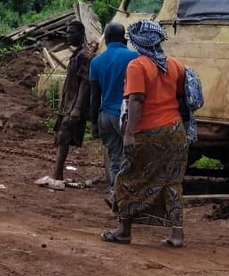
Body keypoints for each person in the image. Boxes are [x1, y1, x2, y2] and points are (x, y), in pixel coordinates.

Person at [101, 20, 188, 247]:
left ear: (138, 42)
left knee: (127, 178)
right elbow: (180, 98)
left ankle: (124, 230)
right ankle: (177, 234)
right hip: (175, 130)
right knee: (172, 181)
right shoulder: (175, 65)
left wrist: (129, 135)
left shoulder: (137, 66)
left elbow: (136, 100)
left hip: (149, 131)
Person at [89, 23, 136, 206]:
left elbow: (94, 96)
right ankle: (127, 199)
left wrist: (94, 123)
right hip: (126, 116)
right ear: (124, 38)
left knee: (116, 158)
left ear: (106, 40)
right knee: (131, 159)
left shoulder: (96, 61)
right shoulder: (134, 57)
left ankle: (116, 195)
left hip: (105, 115)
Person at [53, 20, 92, 181]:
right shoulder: (77, 54)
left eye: (72, 33)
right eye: (67, 32)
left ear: (82, 35)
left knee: (64, 137)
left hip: (73, 105)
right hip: (67, 103)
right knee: (62, 137)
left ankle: (58, 173)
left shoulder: (84, 55)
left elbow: (85, 82)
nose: (68, 36)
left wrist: (77, 107)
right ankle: (58, 172)